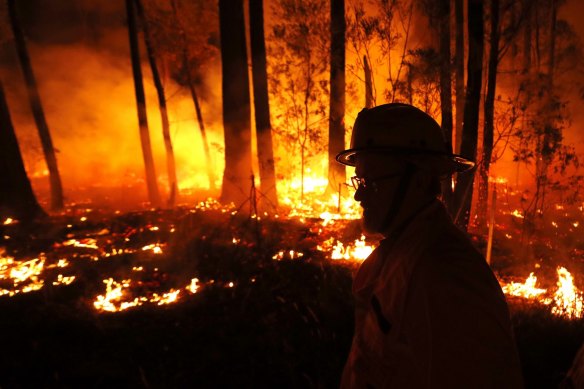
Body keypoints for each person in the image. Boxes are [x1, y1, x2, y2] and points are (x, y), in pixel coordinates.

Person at [336, 103, 523, 388]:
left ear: (420, 179)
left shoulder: (448, 275)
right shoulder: (400, 252)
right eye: (359, 180)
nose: (359, 196)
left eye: (372, 182)